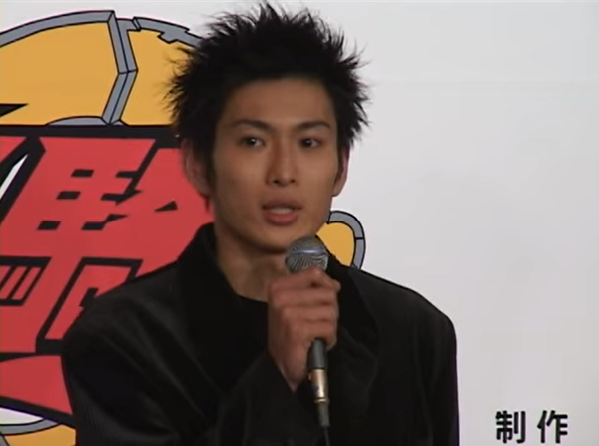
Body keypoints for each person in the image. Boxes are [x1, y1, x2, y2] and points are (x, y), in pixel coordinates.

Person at [60, 3, 459, 445]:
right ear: (198, 163)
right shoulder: (121, 340)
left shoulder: (414, 332)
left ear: (341, 167)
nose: (283, 172)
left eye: (309, 142)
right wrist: (277, 376)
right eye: (253, 141)